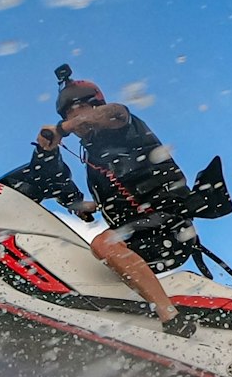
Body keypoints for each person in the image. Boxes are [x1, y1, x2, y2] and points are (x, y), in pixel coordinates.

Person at [16, 69, 201, 337]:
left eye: (81, 111)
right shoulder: (93, 156)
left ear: (96, 106)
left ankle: (172, 320)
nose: (76, 121)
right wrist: (50, 160)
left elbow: (115, 112)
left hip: (170, 227)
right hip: (140, 233)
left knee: (103, 243)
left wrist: (62, 129)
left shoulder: (125, 126)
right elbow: (55, 177)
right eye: (70, 115)